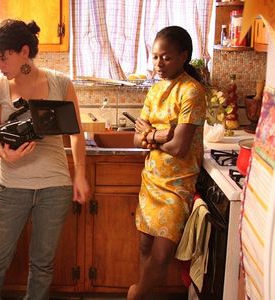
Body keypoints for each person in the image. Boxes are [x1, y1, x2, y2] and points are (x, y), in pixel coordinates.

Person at [0, 19, 90, 300]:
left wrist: (79, 174)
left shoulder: (60, 83)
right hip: (11, 186)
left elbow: (76, 132)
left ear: (24, 52)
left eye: (3, 58)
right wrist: (5, 153)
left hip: (55, 188)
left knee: (42, 265)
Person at [127, 26, 206, 300]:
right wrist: (159, 134)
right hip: (151, 179)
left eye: (166, 57)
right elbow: (137, 141)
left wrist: (151, 135)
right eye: (155, 57)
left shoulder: (192, 91)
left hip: (177, 185)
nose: (159, 64)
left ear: (183, 56)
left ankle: (135, 296)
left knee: (161, 257)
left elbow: (180, 147)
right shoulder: (155, 90)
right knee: (144, 249)